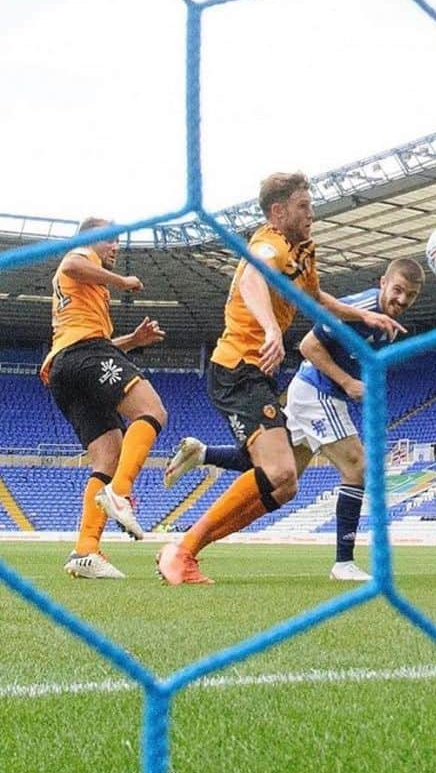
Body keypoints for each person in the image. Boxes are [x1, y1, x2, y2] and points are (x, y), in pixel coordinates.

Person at [155, 172, 404, 585]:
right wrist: (272, 329)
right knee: (281, 472)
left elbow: (314, 298)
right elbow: (253, 278)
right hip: (237, 368)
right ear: (278, 211)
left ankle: (184, 548)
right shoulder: (267, 244)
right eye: (303, 206)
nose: (312, 213)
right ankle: (183, 552)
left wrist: (363, 314)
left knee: (285, 484)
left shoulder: (301, 251)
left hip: (258, 375)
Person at [39, 217, 167, 578]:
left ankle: (86, 550)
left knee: (108, 454)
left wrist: (132, 342)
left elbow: (91, 339)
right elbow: (70, 263)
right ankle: (120, 494)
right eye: (111, 241)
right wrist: (122, 282)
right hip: (84, 354)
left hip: (65, 368)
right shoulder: (82, 257)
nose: (116, 248)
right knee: (153, 410)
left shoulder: (85, 293)